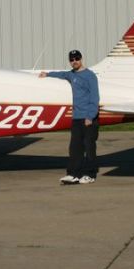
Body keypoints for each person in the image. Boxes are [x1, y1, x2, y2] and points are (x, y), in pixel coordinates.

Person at [39, 50, 100, 185]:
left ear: (81, 59)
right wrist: (47, 74)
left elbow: (95, 98)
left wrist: (90, 116)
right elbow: (61, 74)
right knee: (75, 148)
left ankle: (90, 174)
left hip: (89, 118)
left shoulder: (90, 76)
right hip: (76, 118)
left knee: (89, 147)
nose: (74, 61)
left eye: (77, 58)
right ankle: (73, 174)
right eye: (72, 59)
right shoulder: (71, 75)